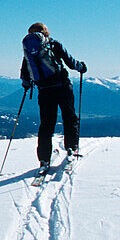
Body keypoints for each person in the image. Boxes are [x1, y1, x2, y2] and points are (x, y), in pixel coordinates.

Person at [20, 22, 87, 167]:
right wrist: (81, 67)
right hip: (62, 86)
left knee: (46, 125)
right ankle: (71, 148)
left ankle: (44, 159)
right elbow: (70, 62)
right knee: (69, 118)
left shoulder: (29, 50)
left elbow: (25, 69)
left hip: (44, 91)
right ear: (46, 31)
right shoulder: (53, 44)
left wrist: (26, 84)